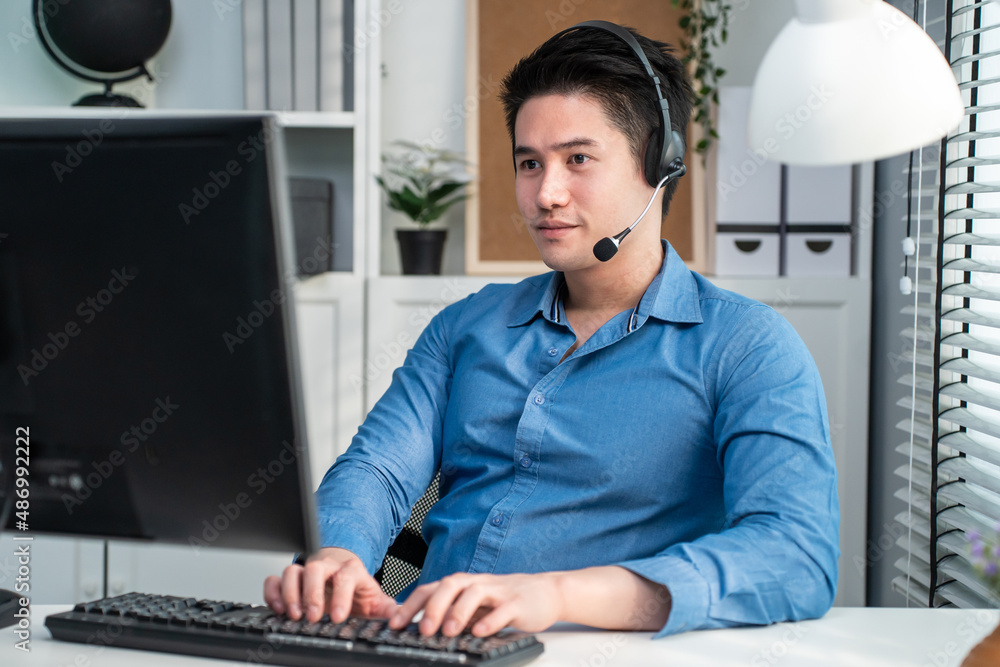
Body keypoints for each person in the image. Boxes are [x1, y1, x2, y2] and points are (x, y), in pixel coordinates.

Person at [264, 22, 839, 639]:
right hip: (425, 644)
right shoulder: (466, 328)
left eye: (578, 160)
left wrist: (558, 594)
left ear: (660, 164)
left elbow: (796, 556)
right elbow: (376, 468)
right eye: (529, 163)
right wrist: (338, 556)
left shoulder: (747, 346)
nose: (547, 194)